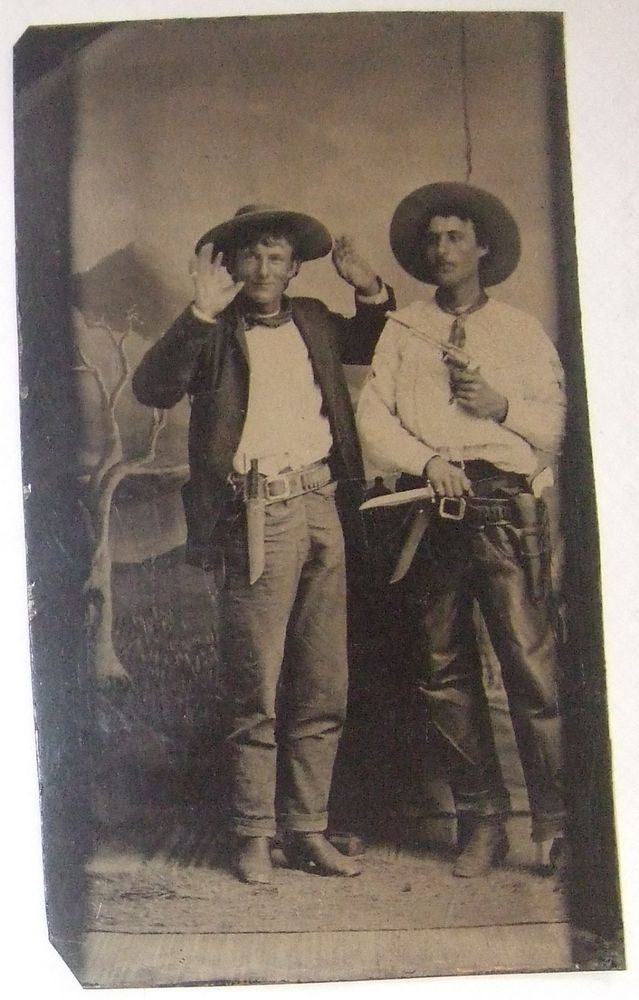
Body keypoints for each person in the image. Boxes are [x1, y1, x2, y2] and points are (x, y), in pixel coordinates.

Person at [133, 204, 394, 884]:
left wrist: (367, 287)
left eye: (276, 257)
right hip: (255, 514)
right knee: (257, 685)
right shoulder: (211, 329)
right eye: (249, 256)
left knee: (322, 681)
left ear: (295, 267)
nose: (263, 269)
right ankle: (252, 834)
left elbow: (370, 338)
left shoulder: (311, 318)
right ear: (228, 265)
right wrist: (197, 313)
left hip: (321, 508)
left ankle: (307, 829)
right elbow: (153, 387)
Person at [356, 182, 567, 877]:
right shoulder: (403, 328)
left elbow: (558, 425)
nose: (441, 249)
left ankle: (558, 828)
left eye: (454, 237)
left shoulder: (518, 330)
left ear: (482, 247)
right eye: (432, 239)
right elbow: (373, 416)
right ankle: (482, 821)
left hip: (504, 509)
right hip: (429, 509)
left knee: (530, 670)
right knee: (442, 672)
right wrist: (426, 459)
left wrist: (501, 406)